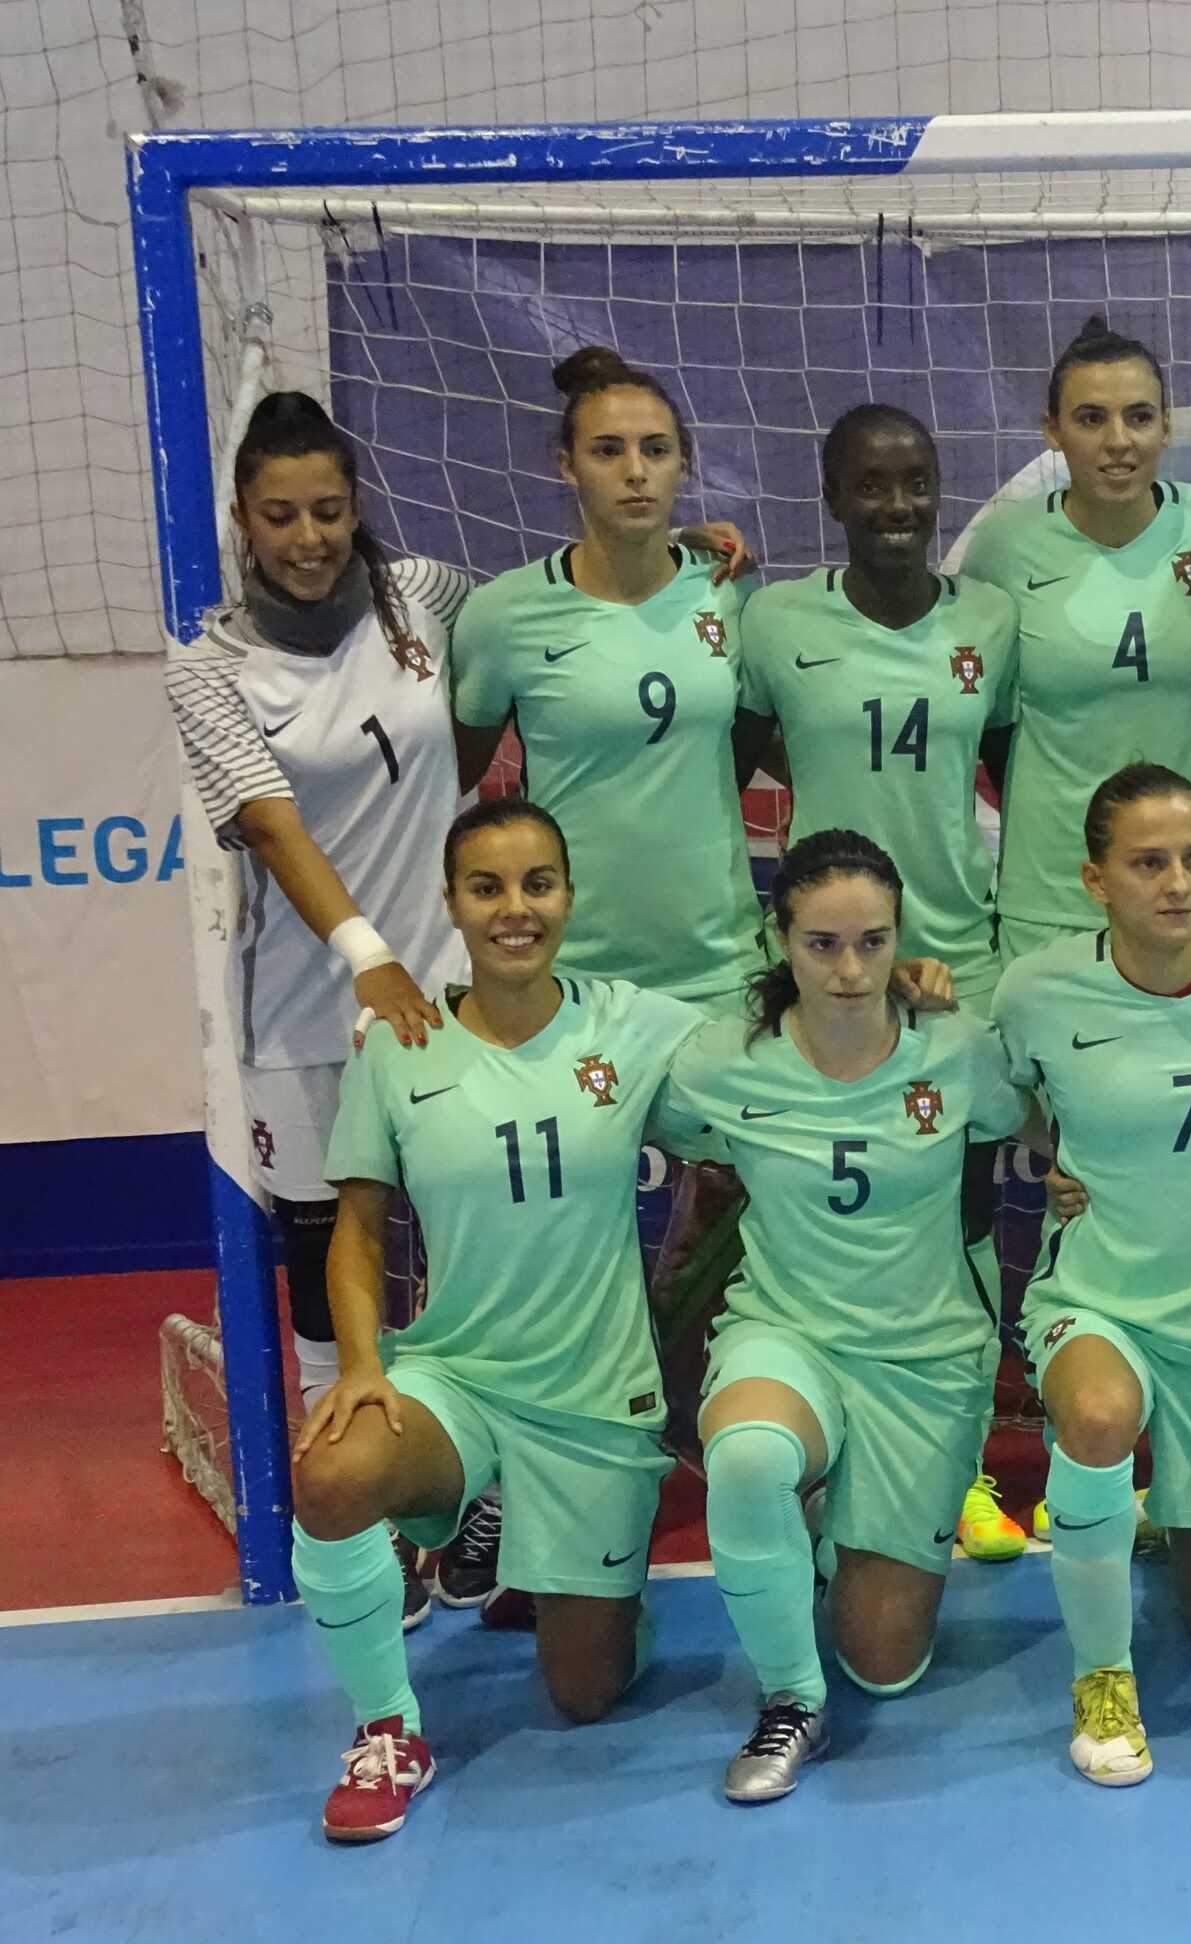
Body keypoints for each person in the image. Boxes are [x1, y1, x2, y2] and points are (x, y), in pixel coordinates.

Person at [288, 799, 705, 1843]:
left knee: (584, 1694)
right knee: (333, 1472)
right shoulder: (401, 1044)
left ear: (569, 896)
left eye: (537, 884)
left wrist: (908, 989)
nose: (516, 908)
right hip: (458, 1378)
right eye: (488, 888)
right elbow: (359, 1230)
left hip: (595, 1397)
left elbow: (785, 1053)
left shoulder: (635, 1025)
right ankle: (388, 1729)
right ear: (452, 905)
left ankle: (579, 1576)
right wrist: (361, 1366)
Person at [448, 345, 767, 1578]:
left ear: (683, 466)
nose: (635, 471)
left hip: (714, 968)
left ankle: (666, 1424)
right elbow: (460, 784)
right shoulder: (504, 618)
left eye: (655, 450)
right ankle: (502, 1476)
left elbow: (735, 751)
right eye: (608, 450)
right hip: (568, 986)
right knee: (552, 1242)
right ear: (564, 466)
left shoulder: (726, 596)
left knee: (747, 1203)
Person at [164, 390, 476, 1627]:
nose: (308, 537)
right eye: (281, 515)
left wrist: (686, 555)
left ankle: (469, 1496)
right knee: (324, 1261)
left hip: (449, 996)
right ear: (243, 521)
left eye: (329, 510)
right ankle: (355, 1513)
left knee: (467, 1245)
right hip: (305, 1013)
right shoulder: (207, 668)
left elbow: (551, 615)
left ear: (358, 508)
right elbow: (274, 828)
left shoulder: (425, 598)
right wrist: (366, 957)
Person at [661, 829, 1043, 1802]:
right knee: (750, 1458)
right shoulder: (723, 1061)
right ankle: (791, 1699)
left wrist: (1081, 1177)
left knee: (884, 1662)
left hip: (926, 1360)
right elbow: (624, 1105)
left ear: (901, 938)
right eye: (822, 944)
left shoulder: (955, 1049)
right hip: (786, 1333)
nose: (849, 970)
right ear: (780, 939)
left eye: (873, 942)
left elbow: (1040, 1124)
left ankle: (831, 1531)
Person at [735, 401, 1031, 1562]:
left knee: (961, 1207)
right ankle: (826, 1442)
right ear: (831, 497)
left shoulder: (990, 622)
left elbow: (1014, 769)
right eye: (871, 484)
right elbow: (732, 758)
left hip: (960, 960)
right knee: (831, 1215)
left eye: (915, 482)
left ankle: (962, 1464)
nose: (897, 505)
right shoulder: (774, 622)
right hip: (830, 970)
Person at [990, 765, 1191, 1786]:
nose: (1177, 882)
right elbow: (997, 1096)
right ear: (1096, 880)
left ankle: (1159, 1510)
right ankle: (1103, 1680)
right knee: (1096, 1418)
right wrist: (1053, 1149)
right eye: (1147, 863)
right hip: (1097, 1298)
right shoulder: (1037, 991)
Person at [960, 316, 1191, 963]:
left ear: (1166, 426)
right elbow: (986, 715)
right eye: (1091, 419)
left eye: (1139, 417)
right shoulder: (1004, 547)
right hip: (1052, 891)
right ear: (1052, 430)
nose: (1118, 441)